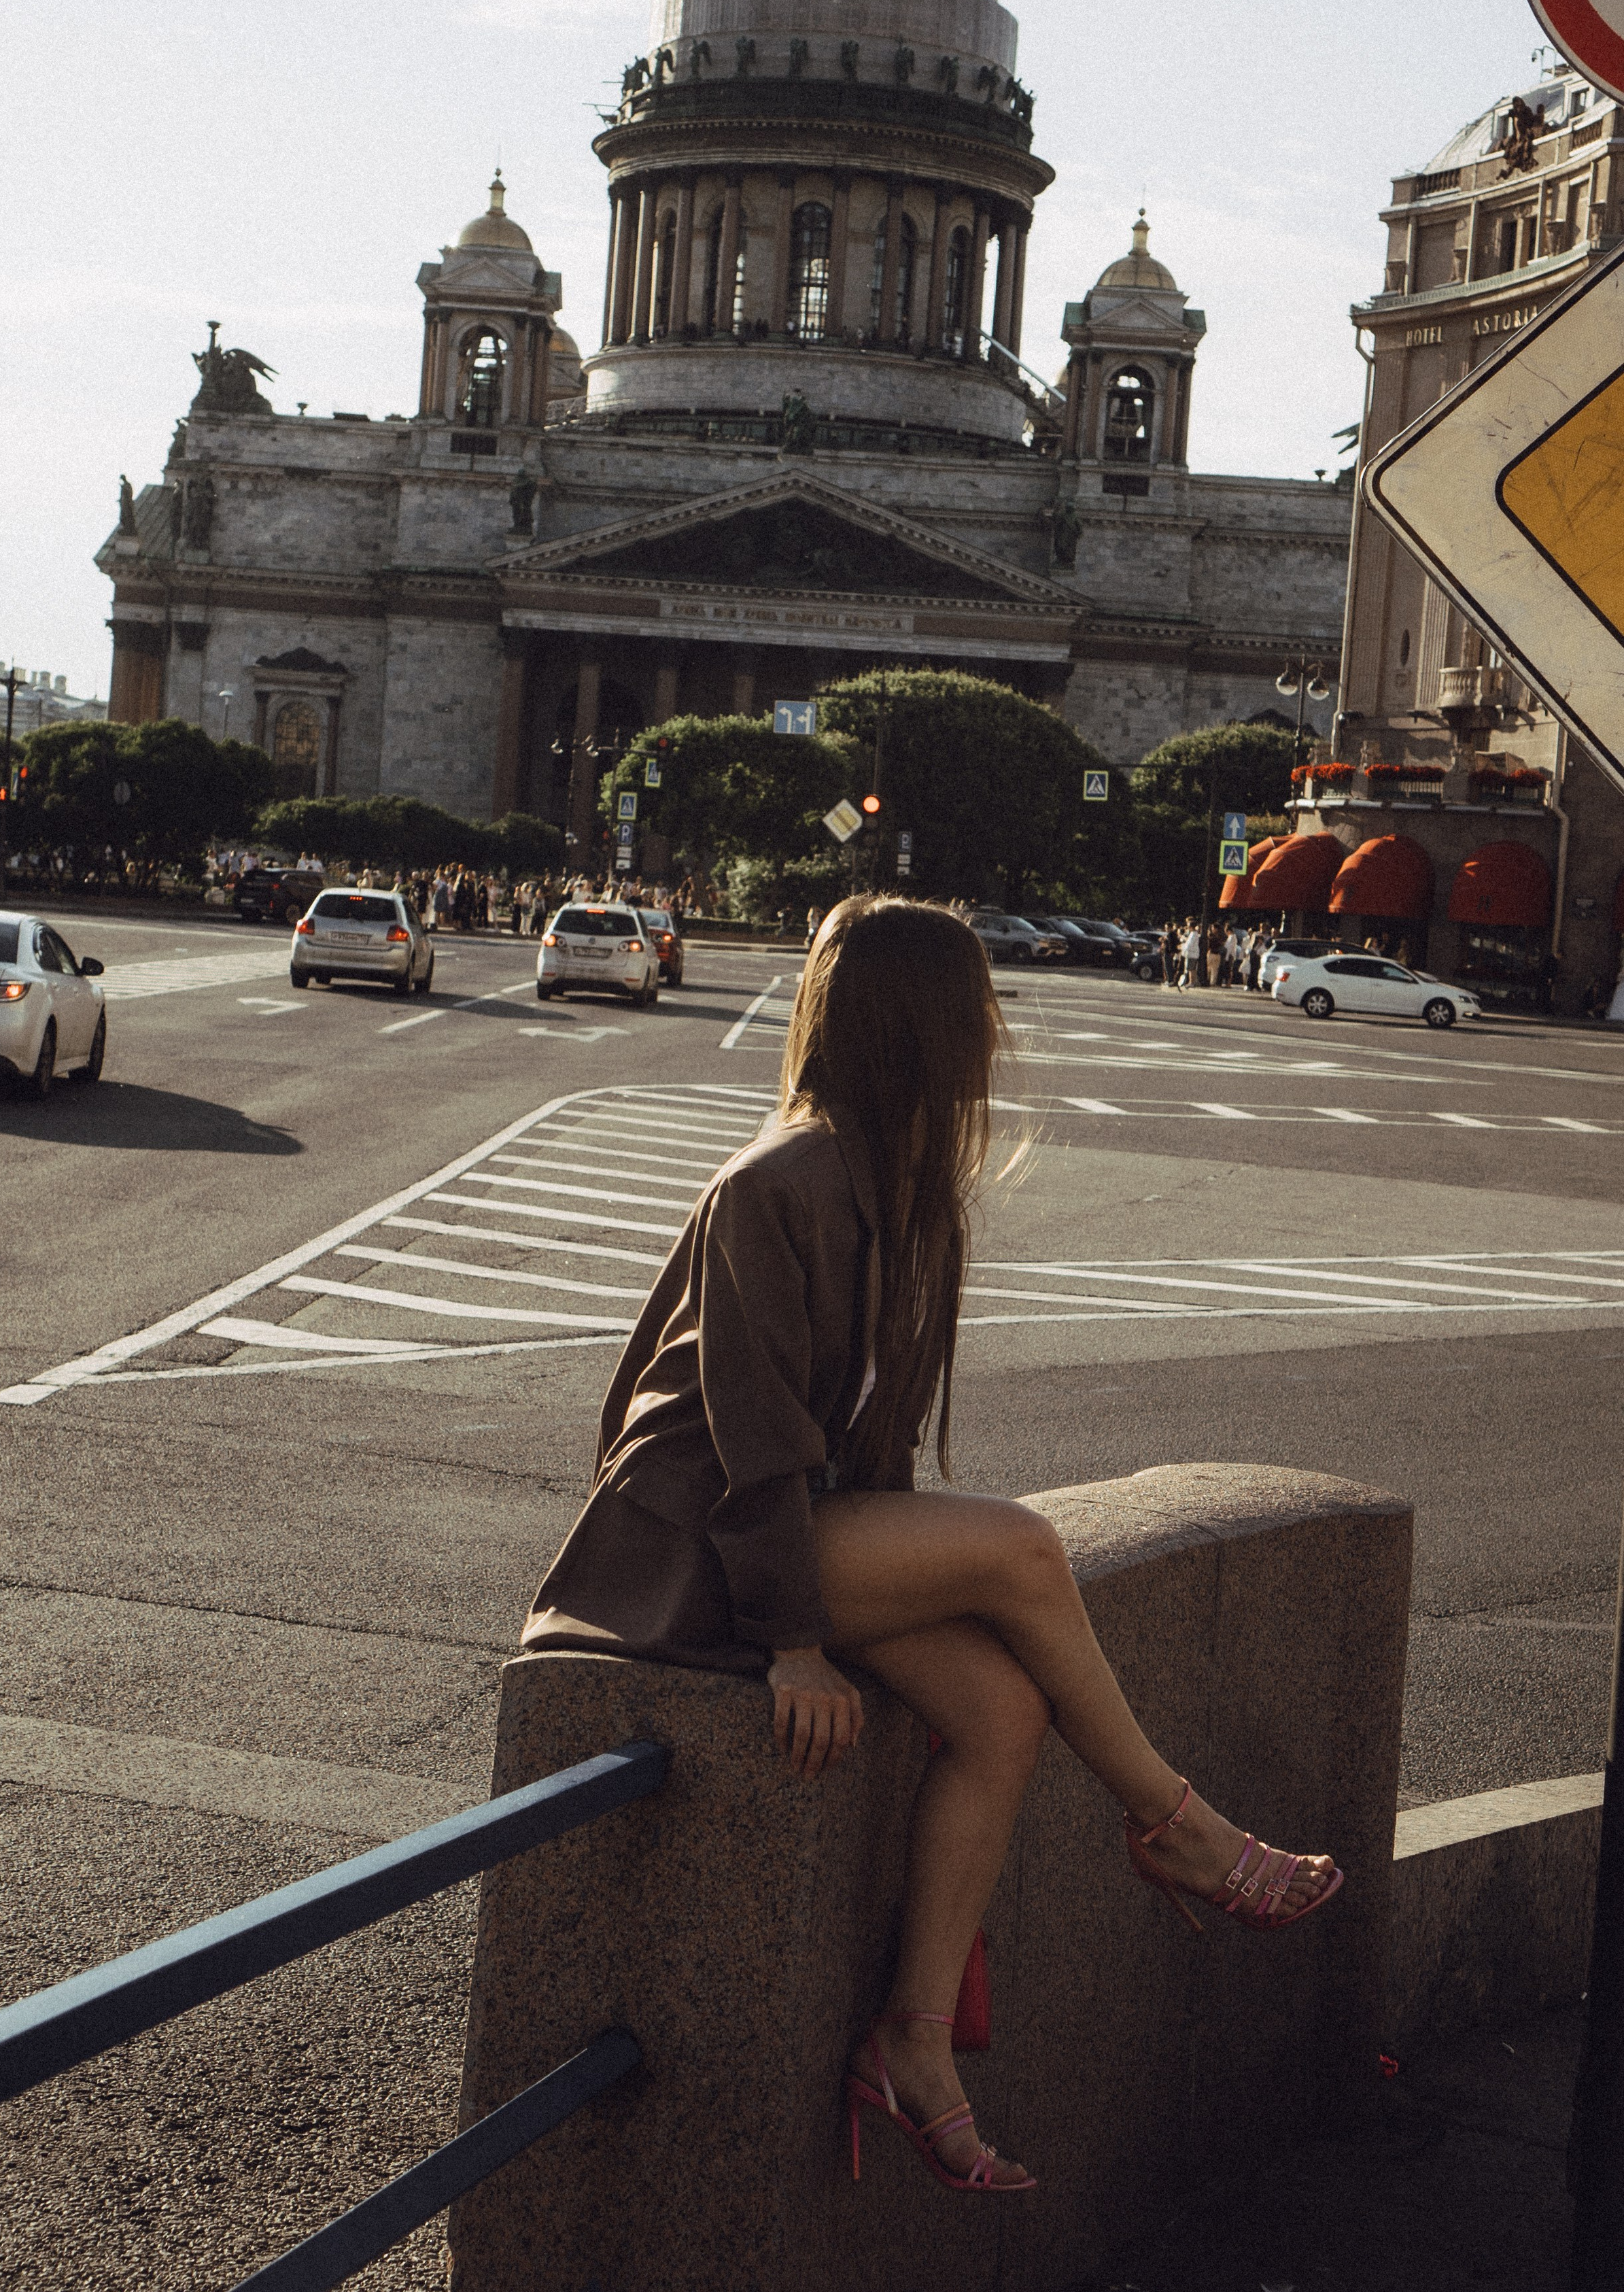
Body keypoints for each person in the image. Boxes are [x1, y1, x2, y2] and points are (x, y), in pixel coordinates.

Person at [523, 898, 1342, 2196]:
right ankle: (1176, 1825)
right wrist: (797, 1643)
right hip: (686, 1557)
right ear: (919, 1024)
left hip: (795, 1532)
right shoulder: (771, 1183)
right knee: (1022, 1551)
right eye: (978, 1011)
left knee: (1004, 1711)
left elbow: (871, 1441)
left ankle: (911, 2042)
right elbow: (748, 1445)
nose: (996, 1036)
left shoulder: (904, 1185)